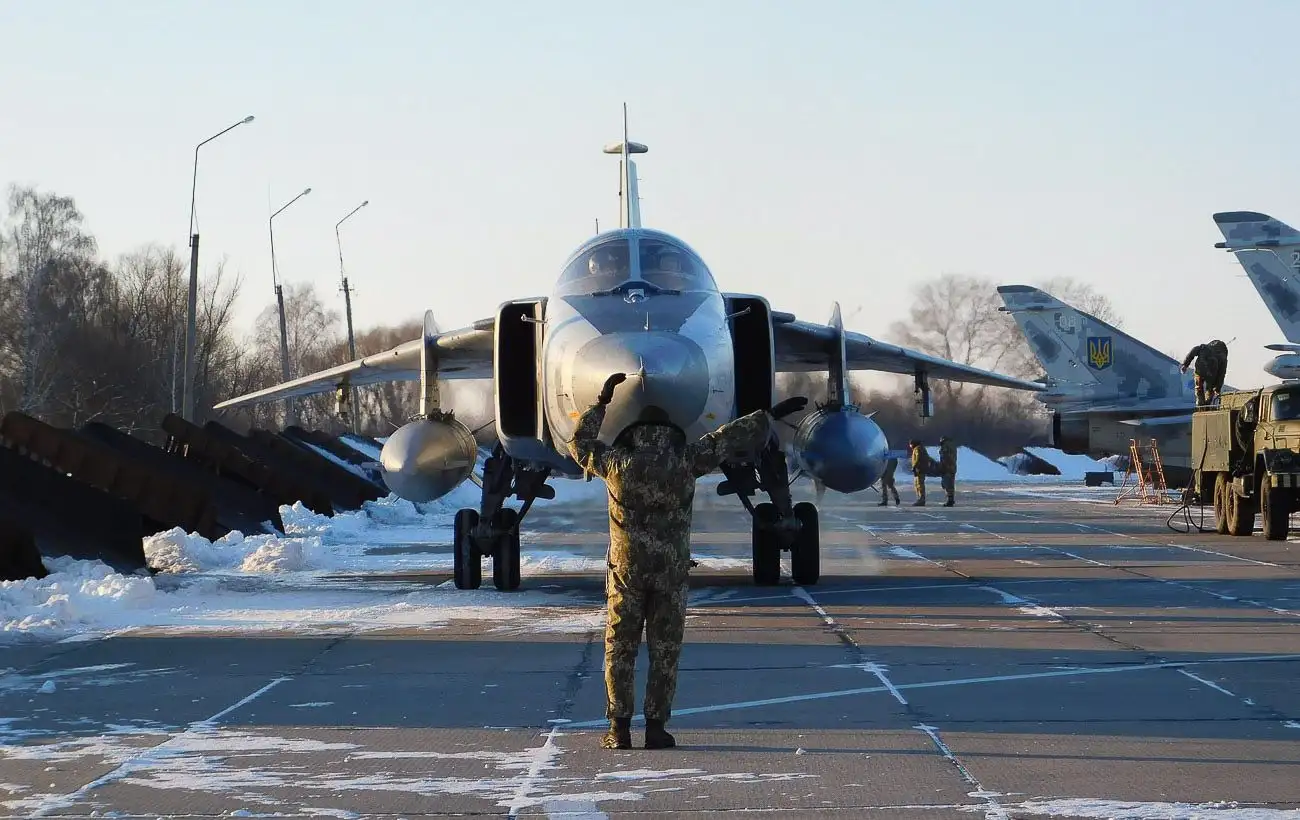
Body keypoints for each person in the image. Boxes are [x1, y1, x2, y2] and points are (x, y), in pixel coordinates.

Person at [568, 372, 807, 750]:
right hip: (670, 573)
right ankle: (657, 728)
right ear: (668, 430)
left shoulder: (615, 464)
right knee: (665, 650)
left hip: (626, 573)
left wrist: (601, 402)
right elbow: (727, 437)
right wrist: (768, 415)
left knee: (619, 647)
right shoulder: (686, 460)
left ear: (635, 432)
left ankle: (619, 728)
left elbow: (579, 445)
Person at [1181, 340, 1228, 406]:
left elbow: (1193, 351)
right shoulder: (1223, 358)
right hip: (1211, 374)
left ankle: (1200, 403)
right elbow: (1221, 375)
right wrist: (1217, 389)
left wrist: (1185, 364)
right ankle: (1207, 404)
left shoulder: (1204, 347)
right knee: (1209, 391)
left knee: (1198, 388)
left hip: (1199, 370)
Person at [908, 440, 932, 506]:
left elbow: (918, 458)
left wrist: (914, 466)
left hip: (919, 469)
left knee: (919, 485)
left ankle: (921, 499)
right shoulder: (921, 448)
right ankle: (920, 499)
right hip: (920, 469)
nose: (910, 446)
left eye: (910, 445)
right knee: (918, 484)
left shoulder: (917, 449)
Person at [937, 436, 958, 507]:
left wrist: (942, 467)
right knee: (950, 484)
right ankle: (951, 499)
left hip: (947, 468)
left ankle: (950, 500)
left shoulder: (945, 446)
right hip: (952, 467)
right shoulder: (953, 446)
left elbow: (945, 457)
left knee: (947, 484)